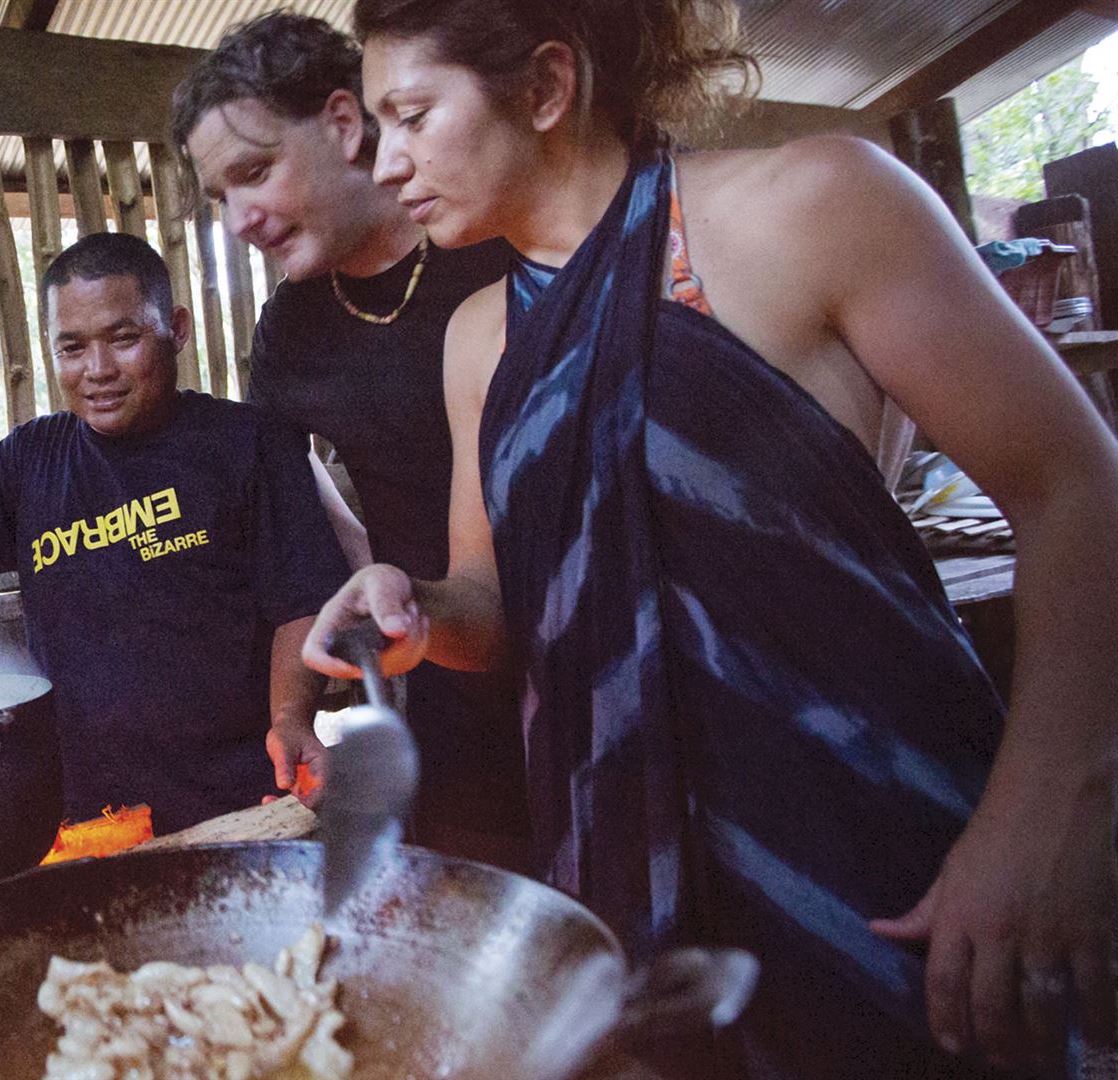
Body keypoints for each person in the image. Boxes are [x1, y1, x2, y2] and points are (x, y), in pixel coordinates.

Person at [302, 0, 1118, 1076]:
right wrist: (410, 607)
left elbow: (1079, 490)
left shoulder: (813, 204)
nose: (388, 162)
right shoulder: (478, 338)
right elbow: (492, 609)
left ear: (546, 88)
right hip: (624, 902)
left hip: (895, 858)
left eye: (411, 115)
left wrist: (1036, 824)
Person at [173, 11, 529, 867]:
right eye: (222, 197)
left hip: (608, 661)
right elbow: (286, 528)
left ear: (342, 123)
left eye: (255, 172)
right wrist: (291, 716)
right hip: (450, 689)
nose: (239, 220)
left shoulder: (504, 250)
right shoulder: (292, 334)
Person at [0, 232, 351, 835]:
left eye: (123, 339)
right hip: (81, 814)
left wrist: (290, 718)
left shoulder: (248, 445)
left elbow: (302, 601)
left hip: (236, 806)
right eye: (71, 348)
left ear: (175, 329)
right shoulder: (31, 460)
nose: (97, 371)